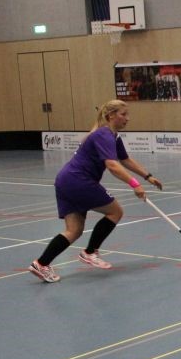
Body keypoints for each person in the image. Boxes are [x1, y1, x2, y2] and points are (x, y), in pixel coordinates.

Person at [29, 100, 163, 282]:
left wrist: (148, 176)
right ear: (111, 116)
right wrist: (134, 184)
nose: (127, 119)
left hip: (65, 181)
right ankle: (90, 252)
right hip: (78, 180)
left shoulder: (112, 136)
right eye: (123, 114)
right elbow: (112, 165)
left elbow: (124, 159)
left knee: (74, 230)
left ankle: (41, 264)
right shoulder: (103, 134)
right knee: (115, 211)